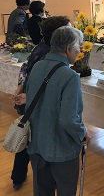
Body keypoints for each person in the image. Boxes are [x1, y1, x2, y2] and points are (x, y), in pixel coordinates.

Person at [25, 26, 90, 196]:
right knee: (66, 190)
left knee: (42, 191)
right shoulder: (70, 76)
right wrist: (82, 133)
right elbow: (69, 119)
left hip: (37, 143)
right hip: (62, 148)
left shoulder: (37, 67)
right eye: (79, 46)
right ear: (69, 48)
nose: (80, 51)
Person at [11, 16, 71, 190]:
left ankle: (18, 176)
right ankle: (41, 177)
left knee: (27, 134)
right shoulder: (50, 53)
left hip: (30, 98)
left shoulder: (40, 47)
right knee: (32, 136)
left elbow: (25, 66)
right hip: (36, 100)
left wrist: (20, 86)